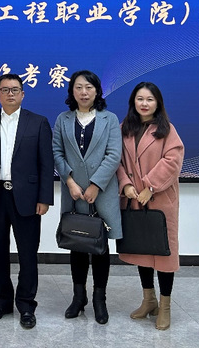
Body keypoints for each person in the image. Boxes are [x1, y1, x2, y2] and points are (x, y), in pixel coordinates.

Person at [0, 73, 53, 329]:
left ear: (22, 94)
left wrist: (44, 198)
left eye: (15, 89)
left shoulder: (38, 122)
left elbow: (46, 163)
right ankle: (2, 300)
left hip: (27, 198)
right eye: (5, 89)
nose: (10, 93)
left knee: (27, 253)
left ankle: (26, 304)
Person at [52, 70, 122, 325]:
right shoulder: (63, 119)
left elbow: (114, 155)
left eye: (89, 87)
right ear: (72, 91)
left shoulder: (109, 119)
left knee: (100, 247)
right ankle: (78, 297)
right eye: (79, 87)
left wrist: (95, 185)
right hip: (74, 193)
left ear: (97, 91)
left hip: (101, 193)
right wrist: (70, 181)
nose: (84, 92)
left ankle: (99, 300)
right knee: (77, 244)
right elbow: (57, 152)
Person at [117, 81, 184, 331]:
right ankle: (149, 301)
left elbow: (172, 161)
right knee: (142, 250)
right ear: (133, 102)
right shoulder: (124, 128)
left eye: (149, 99)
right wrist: (125, 185)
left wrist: (150, 186)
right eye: (140, 99)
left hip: (159, 200)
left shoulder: (167, 130)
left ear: (157, 103)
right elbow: (116, 161)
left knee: (163, 254)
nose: (144, 104)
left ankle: (165, 307)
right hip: (133, 198)